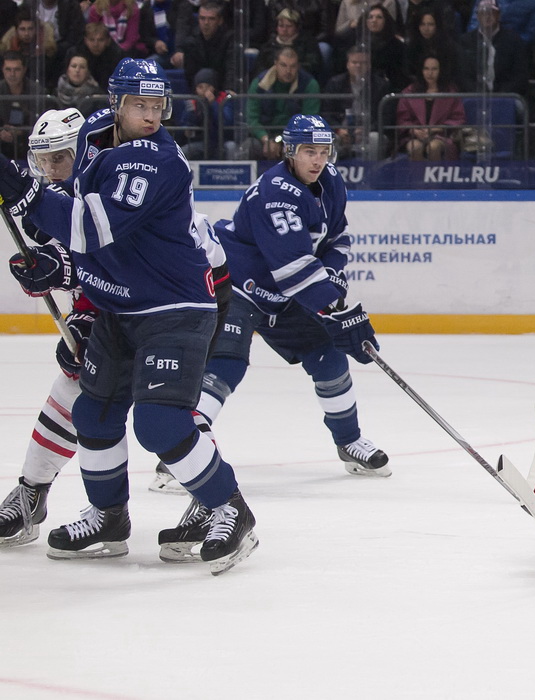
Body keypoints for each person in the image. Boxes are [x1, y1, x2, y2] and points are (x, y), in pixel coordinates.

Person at [0, 58, 257, 574]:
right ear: (115, 103)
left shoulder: (156, 160)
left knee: (160, 423)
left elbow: (91, 230)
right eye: (138, 104)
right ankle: (108, 517)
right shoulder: (92, 137)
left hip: (175, 306)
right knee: (93, 413)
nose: (150, 115)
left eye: (157, 104)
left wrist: (24, 194)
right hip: (120, 305)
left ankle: (229, 508)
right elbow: (89, 245)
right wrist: (59, 266)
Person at [195, 113, 390, 480]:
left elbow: (338, 238)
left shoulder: (331, 181)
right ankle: (184, 452)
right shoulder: (276, 194)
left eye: (324, 151)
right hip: (238, 286)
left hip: (285, 296)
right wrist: (336, 310)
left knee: (329, 356)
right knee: (226, 366)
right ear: (290, 152)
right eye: (308, 151)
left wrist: (331, 277)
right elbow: (294, 268)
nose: (318, 160)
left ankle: (349, 441)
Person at [0, 107, 89, 549]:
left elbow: (110, 254)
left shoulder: (105, 186)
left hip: (169, 313)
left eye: (59, 158)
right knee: (72, 391)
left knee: (170, 409)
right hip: (107, 314)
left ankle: (215, 499)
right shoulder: (54, 190)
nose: (49, 170)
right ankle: (31, 493)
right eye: (43, 160)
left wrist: (60, 267)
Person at [241, 45, 321, 160]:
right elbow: (252, 119)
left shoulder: (309, 85)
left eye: (293, 66)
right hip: (264, 137)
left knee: (301, 150)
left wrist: (281, 140)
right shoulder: (259, 84)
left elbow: (308, 121)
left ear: (298, 66)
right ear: (275, 64)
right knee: (246, 148)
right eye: (283, 65)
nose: (288, 71)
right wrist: (267, 140)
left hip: (295, 138)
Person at [324, 43, 391, 160]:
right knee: (329, 139)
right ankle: (330, 176)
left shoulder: (380, 85)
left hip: (368, 131)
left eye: (363, 63)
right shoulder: (335, 83)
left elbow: (385, 117)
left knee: (374, 138)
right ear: (348, 64)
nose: (358, 66)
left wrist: (367, 129)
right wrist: (339, 129)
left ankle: (372, 174)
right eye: (354, 62)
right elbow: (327, 113)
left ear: (369, 65)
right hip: (342, 131)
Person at [396, 54, 466, 160]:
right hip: (415, 136)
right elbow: (402, 119)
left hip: (441, 135)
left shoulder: (450, 92)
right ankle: (418, 177)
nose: (430, 73)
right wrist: (414, 130)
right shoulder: (410, 91)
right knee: (415, 147)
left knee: (433, 147)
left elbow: (458, 119)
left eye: (434, 69)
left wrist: (434, 129)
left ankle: (434, 177)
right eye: (426, 69)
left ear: (440, 71)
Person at [170, 0, 237, 92]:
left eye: (211, 19)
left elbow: (231, 70)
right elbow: (190, 75)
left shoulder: (229, 39)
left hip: (222, 89)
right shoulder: (191, 42)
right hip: (198, 91)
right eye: (202, 18)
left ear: (220, 21)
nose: (206, 23)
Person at [0, 51, 40, 159]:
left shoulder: (37, 91)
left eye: (17, 69)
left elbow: (42, 120)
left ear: (24, 70)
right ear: (2, 70)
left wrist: (22, 131)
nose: (12, 74)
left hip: (29, 148)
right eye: (8, 69)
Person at [67, 22, 125, 91]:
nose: (95, 44)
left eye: (101, 40)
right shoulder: (75, 53)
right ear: (85, 40)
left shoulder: (117, 55)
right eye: (91, 40)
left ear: (108, 41)